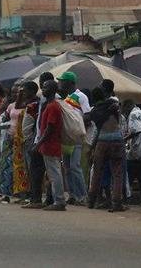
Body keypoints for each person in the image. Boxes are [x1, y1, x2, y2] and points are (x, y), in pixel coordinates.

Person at [88, 88, 126, 212]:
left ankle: (91, 201)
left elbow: (97, 130)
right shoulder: (112, 105)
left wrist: (92, 147)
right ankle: (117, 203)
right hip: (117, 140)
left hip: (102, 141)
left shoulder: (94, 112)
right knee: (117, 173)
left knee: (97, 172)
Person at [22, 74, 54, 209]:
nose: (42, 87)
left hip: (44, 140)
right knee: (37, 170)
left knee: (47, 171)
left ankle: (44, 199)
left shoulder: (52, 103)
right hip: (38, 138)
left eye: (44, 85)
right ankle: (39, 199)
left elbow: (48, 125)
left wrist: (38, 141)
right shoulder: (42, 101)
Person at [57, 71, 89, 206]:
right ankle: (72, 194)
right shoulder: (63, 98)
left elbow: (87, 115)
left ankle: (82, 196)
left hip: (75, 136)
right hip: (65, 137)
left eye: (62, 81)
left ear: (70, 82)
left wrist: (76, 126)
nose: (59, 83)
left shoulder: (80, 96)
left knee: (75, 166)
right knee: (67, 168)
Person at [34, 80, 66, 211]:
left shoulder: (53, 106)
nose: (43, 89)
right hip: (49, 144)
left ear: (53, 90)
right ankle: (55, 199)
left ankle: (59, 201)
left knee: (54, 174)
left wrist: (39, 143)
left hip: (50, 144)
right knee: (52, 174)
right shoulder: (50, 105)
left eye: (46, 87)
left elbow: (50, 127)